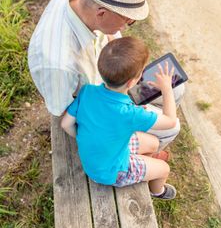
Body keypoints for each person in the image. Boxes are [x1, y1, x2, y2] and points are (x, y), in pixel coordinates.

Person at [28, 0, 183, 149]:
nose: (128, 27)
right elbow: (65, 114)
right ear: (101, 13)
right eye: (128, 19)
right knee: (172, 127)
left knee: (177, 86)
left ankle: (147, 139)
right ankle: (141, 151)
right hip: (102, 109)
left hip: (113, 78)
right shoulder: (58, 64)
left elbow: (111, 37)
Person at [61, 36, 177, 200]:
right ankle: (157, 191)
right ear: (132, 83)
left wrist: (84, 137)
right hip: (111, 172)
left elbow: (66, 124)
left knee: (154, 142)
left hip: (99, 157)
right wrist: (167, 89)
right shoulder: (130, 114)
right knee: (164, 169)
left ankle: (144, 164)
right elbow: (170, 121)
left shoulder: (87, 91)